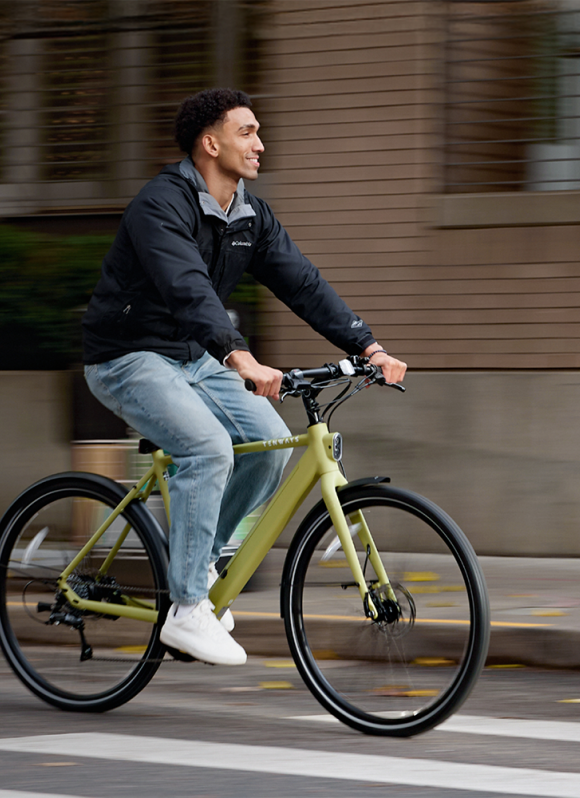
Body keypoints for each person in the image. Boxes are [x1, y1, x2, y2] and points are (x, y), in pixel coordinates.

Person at [81, 88, 407, 665]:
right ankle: (184, 610)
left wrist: (368, 345)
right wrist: (241, 357)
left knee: (268, 447)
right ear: (211, 143)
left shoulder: (247, 212)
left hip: (194, 356)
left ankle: (199, 560)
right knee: (208, 450)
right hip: (128, 356)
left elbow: (300, 282)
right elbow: (188, 288)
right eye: (247, 132)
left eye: (259, 132)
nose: (260, 144)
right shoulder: (163, 203)